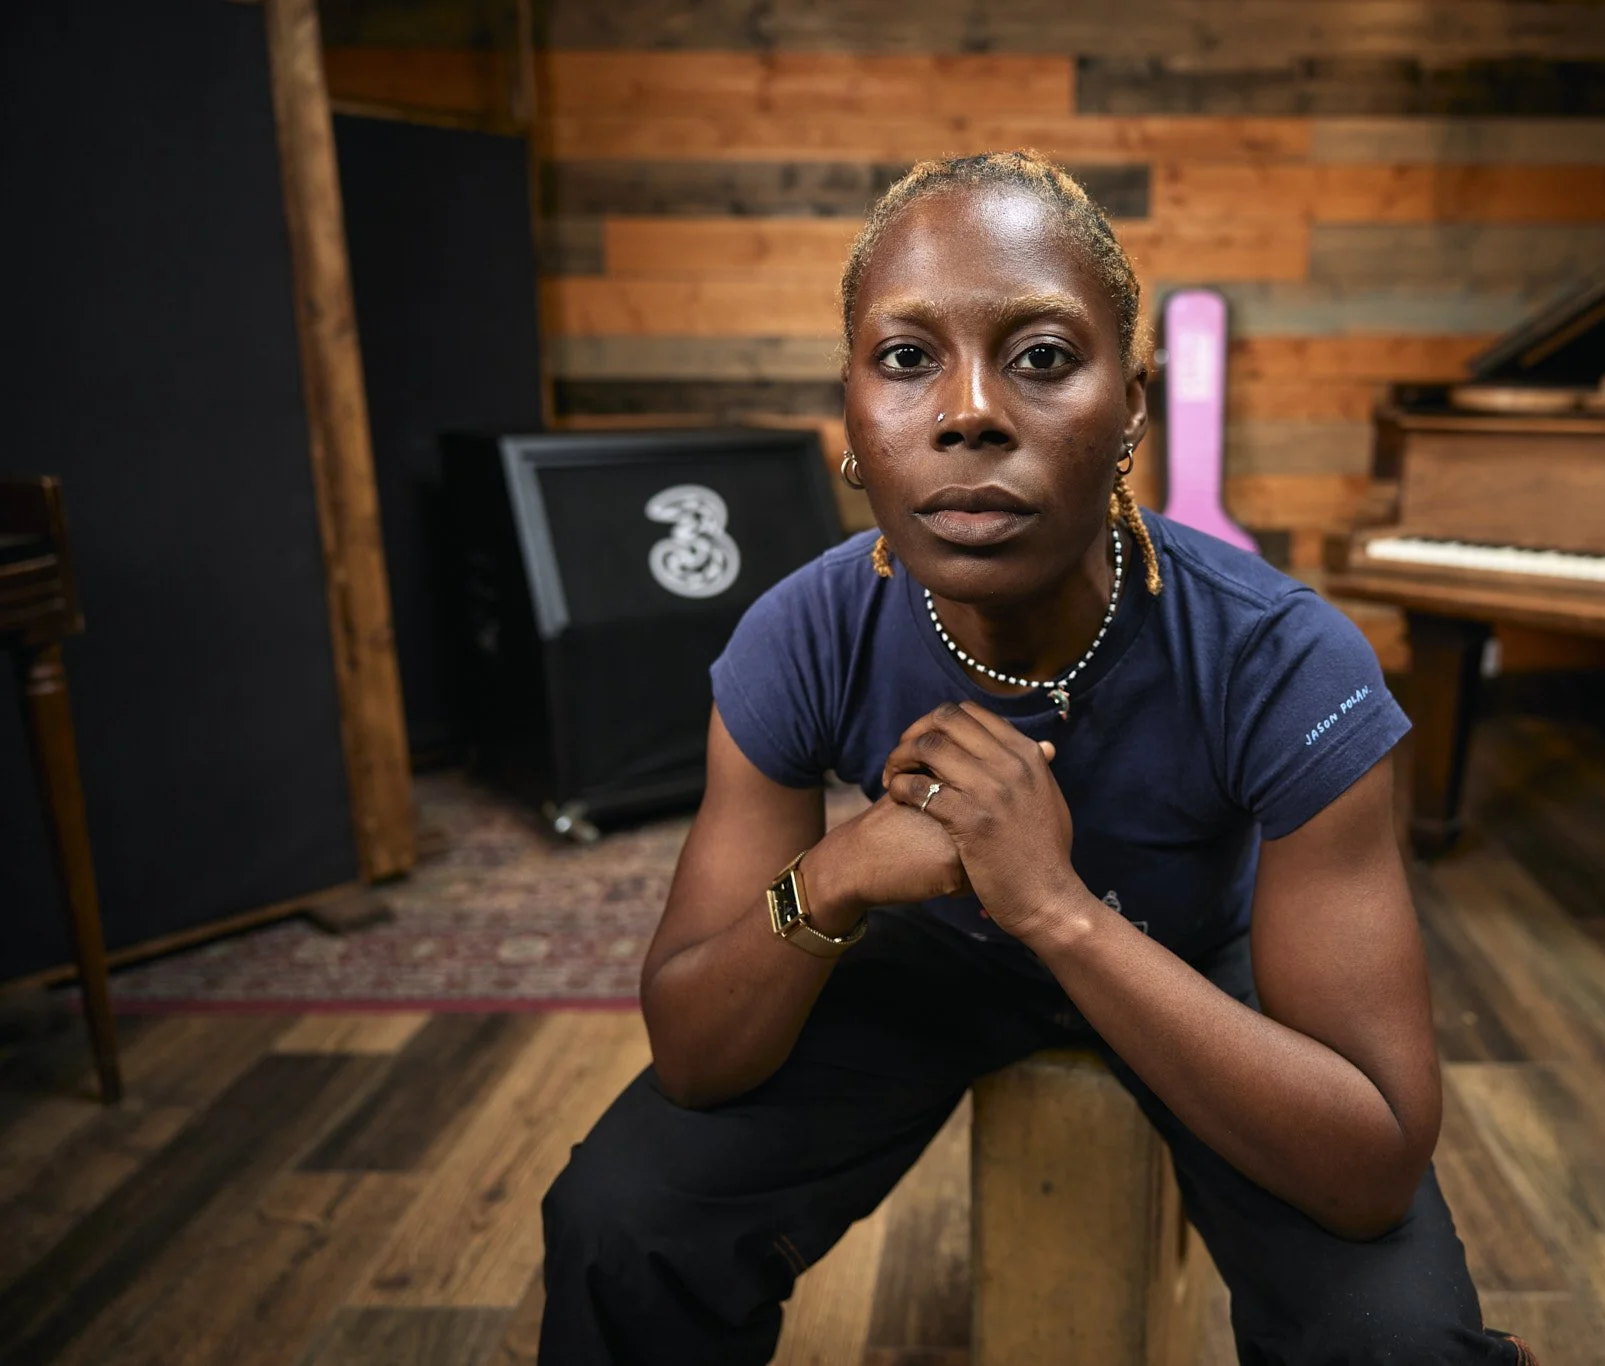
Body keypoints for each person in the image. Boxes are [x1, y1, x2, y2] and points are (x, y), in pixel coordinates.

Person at [540, 150, 1536, 1366]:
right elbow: (693, 1058)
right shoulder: (799, 634)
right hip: (931, 956)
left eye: (1043, 357)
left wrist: (1057, 911)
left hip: (1197, 949)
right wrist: (843, 871)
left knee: (1400, 1343)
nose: (968, 410)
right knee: (619, 1222)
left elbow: (1373, 1165)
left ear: (1131, 408)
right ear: (851, 418)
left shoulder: (1283, 659)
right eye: (906, 359)